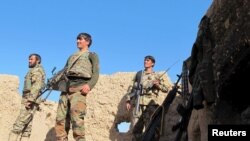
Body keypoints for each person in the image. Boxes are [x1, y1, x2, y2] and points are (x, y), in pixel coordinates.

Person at [55, 32, 99, 141]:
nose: (77, 41)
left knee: (77, 120)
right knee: (60, 120)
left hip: (79, 89)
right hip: (65, 90)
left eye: (80, 39)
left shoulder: (92, 55)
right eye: (77, 39)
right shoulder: (71, 56)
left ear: (87, 42)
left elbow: (96, 73)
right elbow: (64, 71)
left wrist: (89, 85)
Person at [125, 55, 168, 141]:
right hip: (138, 104)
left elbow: (165, 89)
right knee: (136, 129)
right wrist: (128, 100)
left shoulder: (157, 75)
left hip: (150, 106)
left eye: (148, 60)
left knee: (151, 128)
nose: (145, 62)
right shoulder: (139, 74)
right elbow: (131, 87)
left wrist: (157, 84)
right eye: (145, 60)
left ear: (153, 63)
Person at [8, 53, 46, 141]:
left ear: (38, 61)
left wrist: (30, 100)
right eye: (29, 59)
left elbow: (37, 86)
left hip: (30, 101)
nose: (29, 61)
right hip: (30, 101)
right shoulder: (33, 70)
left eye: (31, 59)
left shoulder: (37, 71)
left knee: (18, 126)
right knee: (27, 128)